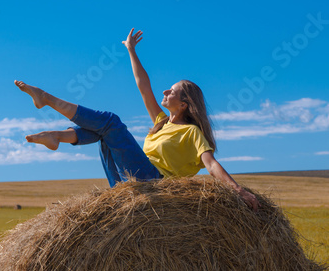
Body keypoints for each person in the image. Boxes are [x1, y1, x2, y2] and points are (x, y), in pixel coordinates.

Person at [15, 28, 260, 211]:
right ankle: (58, 136)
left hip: (155, 186)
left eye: (171, 91)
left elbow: (211, 164)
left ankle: (48, 102)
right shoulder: (161, 121)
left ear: (184, 104)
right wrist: (131, 50)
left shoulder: (192, 133)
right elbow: (144, 86)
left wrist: (237, 190)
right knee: (104, 131)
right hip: (128, 186)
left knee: (111, 122)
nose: (165, 92)